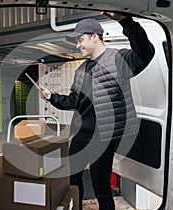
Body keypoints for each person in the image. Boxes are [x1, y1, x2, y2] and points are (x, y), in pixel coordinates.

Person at [39, 11, 155, 210]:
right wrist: (52, 97)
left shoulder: (117, 58)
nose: (78, 45)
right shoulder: (81, 70)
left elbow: (145, 54)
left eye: (81, 40)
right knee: (72, 180)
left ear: (94, 36)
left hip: (103, 137)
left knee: (101, 187)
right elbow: (74, 101)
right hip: (81, 135)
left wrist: (126, 22)